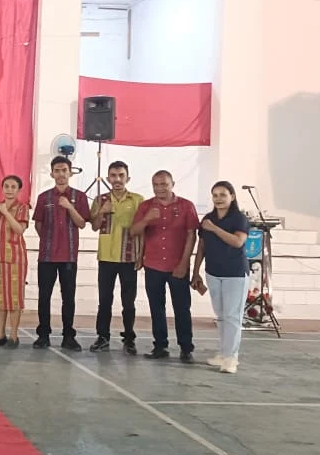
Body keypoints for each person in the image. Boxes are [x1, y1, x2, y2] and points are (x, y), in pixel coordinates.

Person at [131, 170, 200, 362]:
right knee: (156, 308)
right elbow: (134, 231)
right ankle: (160, 346)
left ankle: (186, 348)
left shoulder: (186, 206)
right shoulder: (146, 206)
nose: (160, 188)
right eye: (156, 185)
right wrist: (147, 219)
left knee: (182, 308)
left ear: (172, 184)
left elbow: (191, 235)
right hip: (153, 265)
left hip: (177, 265)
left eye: (164, 184)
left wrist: (184, 263)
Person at [192, 181, 252, 374]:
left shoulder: (239, 218)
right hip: (213, 272)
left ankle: (231, 358)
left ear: (232, 196)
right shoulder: (208, 219)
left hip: (235, 274)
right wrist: (196, 271)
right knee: (221, 316)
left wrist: (215, 229)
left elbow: (237, 242)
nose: (218, 198)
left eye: (223, 194)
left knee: (232, 316)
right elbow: (201, 246)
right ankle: (224, 352)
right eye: (215, 195)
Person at [32, 155, 91, 351]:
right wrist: (49, 241)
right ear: (52, 174)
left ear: (70, 172)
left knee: (68, 297)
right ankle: (43, 335)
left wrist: (69, 207)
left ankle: (68, 336)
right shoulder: (44, 197)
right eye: (57, 171)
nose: (61, 174)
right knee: (44, 296)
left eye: (64, 170)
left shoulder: (79, 196)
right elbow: (38, 224)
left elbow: (82, 223)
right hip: (47, 256)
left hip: (69, 256)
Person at [88, 161, 144, 355]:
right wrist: (102, 211)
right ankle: (102, 337)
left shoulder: (137, 200)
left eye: (121, 175)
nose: (117, 179)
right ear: (108, 178)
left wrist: (141, 254)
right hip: (106, 258)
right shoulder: (100, 199)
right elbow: (94, 226)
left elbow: (142, 230)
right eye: (113, 175)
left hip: (129, 257)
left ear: (128, 178)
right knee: (104, 301)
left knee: (128, 302)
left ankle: (129, 338)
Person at [0, 175, 30, 348]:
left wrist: (5, 212)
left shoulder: (22, 208)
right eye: (6, 186)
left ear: (19, 190)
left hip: (15, 258)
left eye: (13, 187)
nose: (9, 190)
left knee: (15, 296)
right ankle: (0, 334)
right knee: (0, 296)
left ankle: (13, 335)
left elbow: (19, 229)